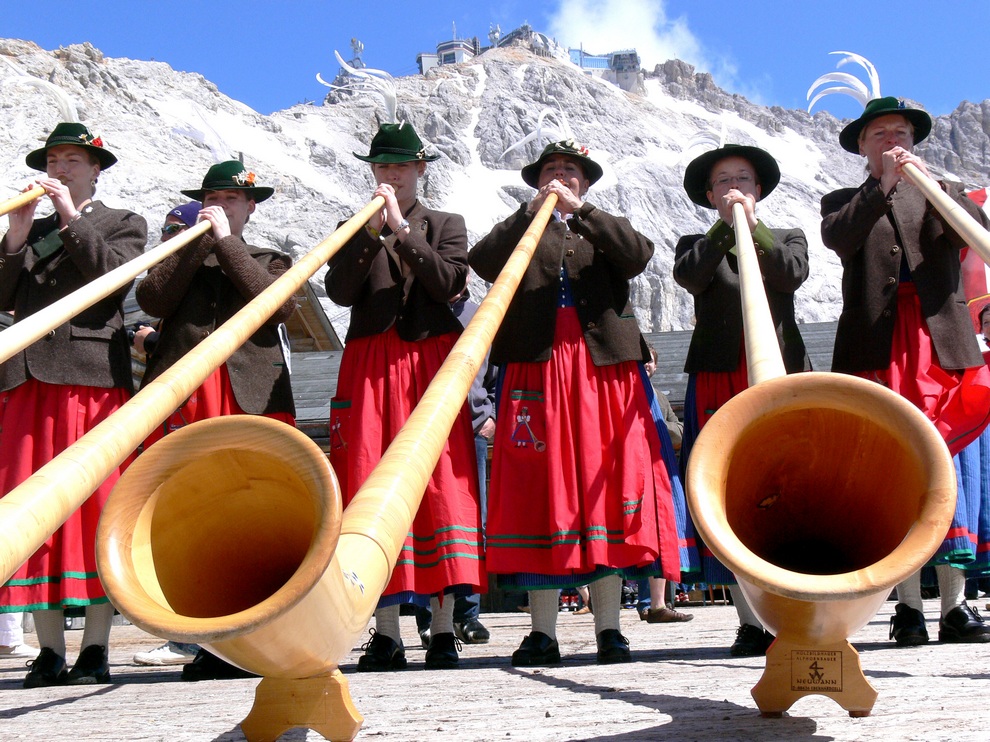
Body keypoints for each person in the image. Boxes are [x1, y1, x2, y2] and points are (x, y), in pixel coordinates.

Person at [469, 139, 684, 666]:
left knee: (605, 488)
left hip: (602, 372)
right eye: (551, 171)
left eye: (570, 171)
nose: (560, 177)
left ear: (585, 182)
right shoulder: (523, 225)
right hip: (535, 367)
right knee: (538, 488)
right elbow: (482, 263)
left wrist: (581, 211)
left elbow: (637, 255)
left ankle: (610, 629)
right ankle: (542, 633)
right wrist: (528, 214)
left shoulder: (600, 224)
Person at [821, 96, 990, 646]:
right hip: (876, 345)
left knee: (948, 465)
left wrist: (931, 186)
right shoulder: (844, 199)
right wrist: (883, 185)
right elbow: (840, 238)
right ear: (864, 148)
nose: (892, 140)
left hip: (939, 343)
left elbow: (972, 235)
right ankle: (909, 608)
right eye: (879, 135)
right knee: (893, 467)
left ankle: (956, 606)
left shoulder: (939, 191)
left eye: (900, 132)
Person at [326, 122, 485, 671]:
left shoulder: (446, 224)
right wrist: (369, 232)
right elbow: (340, 292)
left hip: (429, 362)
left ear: (421, 170)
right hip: (370, 364)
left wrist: (402, 231)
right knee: (369, 481)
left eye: (399, 167)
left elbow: (449, 283)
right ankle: (387, 632)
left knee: (438, 482)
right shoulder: (353, 225)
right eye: (381, 166)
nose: (389, 175)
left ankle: (443, 629)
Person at [0, 122, 148, 687]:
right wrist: (14, 239)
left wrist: (69, 217)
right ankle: (47, 649)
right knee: (32, 511)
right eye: (53, 160)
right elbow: (2, 298)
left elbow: (113, 281)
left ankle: (95, 647)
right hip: (30, 381)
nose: (57, 169)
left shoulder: (123, 223)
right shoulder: (28, 225)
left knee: (94, 508)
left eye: (70, 161)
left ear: (96, 168)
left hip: (92, 382)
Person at [136, 162, 296, 679]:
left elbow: (277, 307)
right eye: (214, 197)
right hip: (186, 394)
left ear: (251, 207)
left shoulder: (272, 258)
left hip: (248, 397)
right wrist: (196, 247)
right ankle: (198, 638)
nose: (221, 206)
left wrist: (226, 245)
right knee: (190, 512)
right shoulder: (179, 256)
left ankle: (256, 635)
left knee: (255, 512)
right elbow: (152, 299)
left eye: (233, 199)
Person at [675, 143, 810, 655]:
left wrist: (751, 227)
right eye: (724, 181)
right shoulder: (695, 241)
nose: (735, 187)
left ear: (760, 189)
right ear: (710, 195)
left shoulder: (788, 237)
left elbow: (790, 274)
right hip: (717, 375)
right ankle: (749, 620)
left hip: (779, 371)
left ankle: (793, 608)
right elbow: (690, 275)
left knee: (786, 481)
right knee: (725, 487)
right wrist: (723, 229)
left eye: (744, 179)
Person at [129, 201, 203, 668]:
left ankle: (190, 638)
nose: (168, 241)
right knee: (172, 517)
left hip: (203, 401)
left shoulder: (207, 280)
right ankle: (182, 633)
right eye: (166, 233)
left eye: (178, 232)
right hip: (169, 407)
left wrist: (152, 343)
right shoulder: (164, 286)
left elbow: (191, 340)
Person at [637, 345, 692, 624]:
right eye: (643, 360)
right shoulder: (626, 391)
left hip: (662, 468)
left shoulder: (660, 397)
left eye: (651, 361)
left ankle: (657, 603)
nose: (647, 365)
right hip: (636, 470)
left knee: (661, 534)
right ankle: (644, 602)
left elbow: (679, 429)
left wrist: (657, 427)